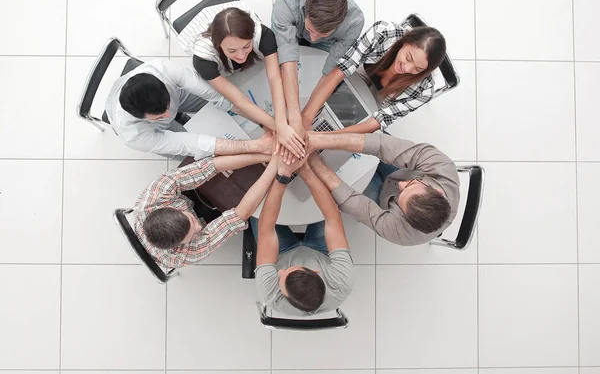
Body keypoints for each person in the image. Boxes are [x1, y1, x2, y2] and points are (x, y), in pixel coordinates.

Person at [178, 1, 306, 160]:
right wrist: (279, 128)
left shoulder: (264, 35)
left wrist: (281, 123)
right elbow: (239, 99)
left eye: (246, 46)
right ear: (218, 46)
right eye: (232, 51)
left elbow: (275, 79)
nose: (240, 55)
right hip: (200, 35)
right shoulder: (203, 60)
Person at [306, 131, 459, 246]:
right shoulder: (442, 166)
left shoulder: (400, 232)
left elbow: (351, 201)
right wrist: (316, 139)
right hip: (400, 169)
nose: (401, 184)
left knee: (341, 192)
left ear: (405, 218)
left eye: (400, 199)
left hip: (382, 198)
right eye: (411, 184)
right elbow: (380, 145)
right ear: (437, 191)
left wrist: (313, 161)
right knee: (372, 140)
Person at [133, 147, 277, 268]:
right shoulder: (187, 254)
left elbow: (207, 167)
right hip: (171, 252)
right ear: (180, 244)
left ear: (174, 209)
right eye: (191, 235)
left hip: (175, 201)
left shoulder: (157, 194)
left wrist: (267, 155)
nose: (199, 227)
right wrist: (275, 166)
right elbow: (237, 216)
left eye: (192, 221)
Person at [301, 20, 447, 135]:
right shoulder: (383, 32)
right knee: (311, 100)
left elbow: (380, 119)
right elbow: (342, 69)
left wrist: (327, 138)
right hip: (355, 76)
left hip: (375, 108)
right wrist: (306, 119)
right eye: (409, 58)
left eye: (418, 69)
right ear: (405, 41)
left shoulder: (425, 90)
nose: (407, 69)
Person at [254, 153, 354, 316]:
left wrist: (283, 175)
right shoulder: (341, 282)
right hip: (321, 253)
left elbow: (266, 229)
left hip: (281, 254)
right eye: (285, 272)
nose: (279, 271)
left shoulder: (270, 292)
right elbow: (332, 219)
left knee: (256, 209)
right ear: (315, 271)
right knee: (329, 201)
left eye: (280, 276)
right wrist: (305, 169)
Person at [106, 59, 267, 160]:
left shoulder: (163, 69)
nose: (169, 115)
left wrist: (262, 121)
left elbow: (214, 94)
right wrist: (254, 146)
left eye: (168, 107)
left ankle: (169, 107)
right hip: (156, 132)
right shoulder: (134, 135)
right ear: (142, 117)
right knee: (199, 157)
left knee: (219, 98)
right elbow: (194, 144)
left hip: (176, 96)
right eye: (159, 116)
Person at [272, 0, 365, 153]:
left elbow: (331, 71)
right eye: (311, 29)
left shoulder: (354, 22)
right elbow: (289, 64)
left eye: (321, 32)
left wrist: (306, 119)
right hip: (290, 23)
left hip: (329, 42)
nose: (312, 38)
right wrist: (294, 117)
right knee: (277, 64)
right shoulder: (287, 1)